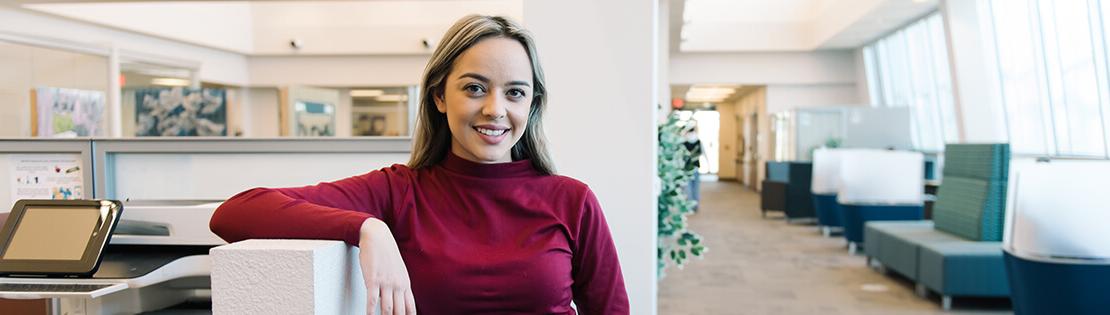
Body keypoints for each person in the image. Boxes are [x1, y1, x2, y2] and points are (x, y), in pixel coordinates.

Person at [209, 15, 629, 315]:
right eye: (475, 88)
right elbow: (237, 211)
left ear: (531, 105)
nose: (495, 109)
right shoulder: (398, 190)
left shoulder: (572, 200)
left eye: (515, 93)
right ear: (439, 97)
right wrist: (366, 227)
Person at [682, 123, 704, 210]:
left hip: (688, 168)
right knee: (695, 187)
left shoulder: (684, 142)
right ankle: (694, 205)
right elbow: (702, 153)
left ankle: (692, 205)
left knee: (689, 187)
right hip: (694, 167)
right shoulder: (697, 141)